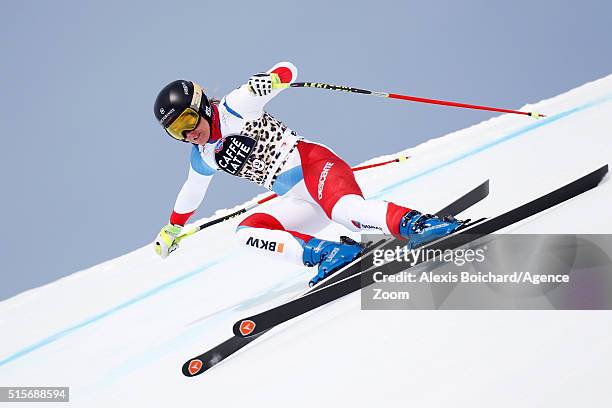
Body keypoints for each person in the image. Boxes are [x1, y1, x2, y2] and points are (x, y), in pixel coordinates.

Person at [153, 62, 463, 286]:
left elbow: (288, 70)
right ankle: (330, 254)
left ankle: (423, 225)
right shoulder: (204, 156)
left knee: (344, 212)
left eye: (189, 120)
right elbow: (191, 192)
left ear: (203, 107)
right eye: (177, 131)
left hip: (315, 167)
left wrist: (272, 79)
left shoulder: (236, 106)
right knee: (247, 233)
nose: (189, 134)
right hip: (299, 199)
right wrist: (173, 228)